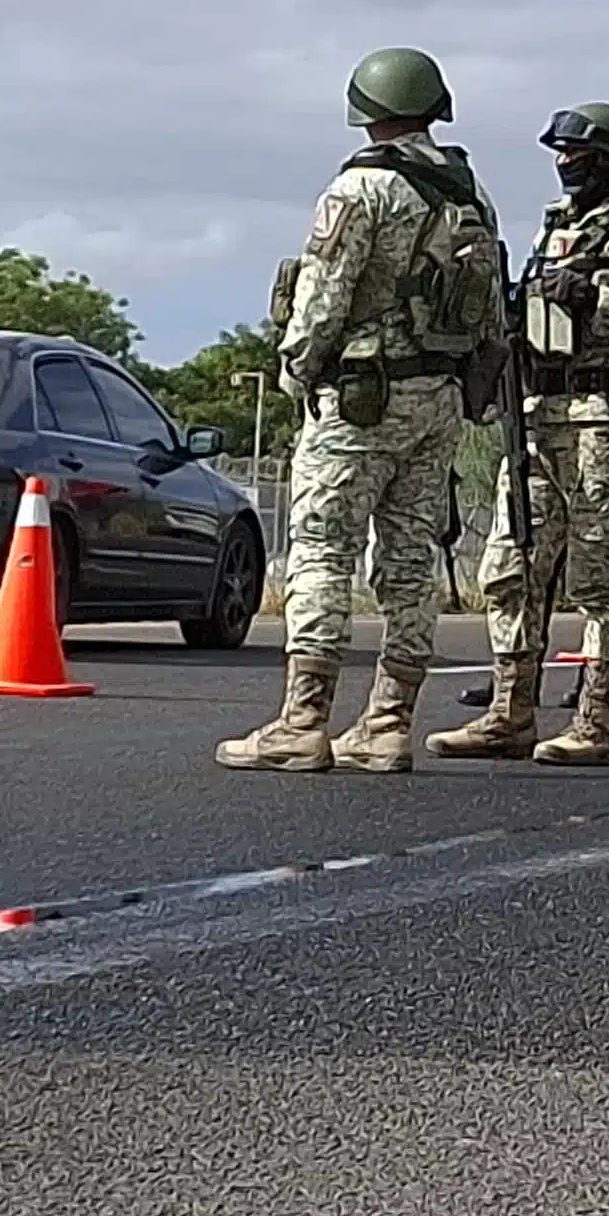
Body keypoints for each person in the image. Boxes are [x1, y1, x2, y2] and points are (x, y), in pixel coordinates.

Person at [220, 47, 507, 775]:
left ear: (365, 110)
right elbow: (493, 314)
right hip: (438, 396)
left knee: (321, 546)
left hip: (361, 397)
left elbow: (324, 294)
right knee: (409, 558)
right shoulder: (470, 195)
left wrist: (295, 369)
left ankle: (302, 721)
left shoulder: (361, 190)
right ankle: (387, 724)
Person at [433, 101, 609, 766]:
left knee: (599, 577)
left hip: (599, 424)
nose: (564, 165)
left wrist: (595, 300)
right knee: (511, 567)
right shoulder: (557, 229)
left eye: (577, 154)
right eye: (559, 154)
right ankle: (508, 713)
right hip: (533, 420)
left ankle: (595, 724)